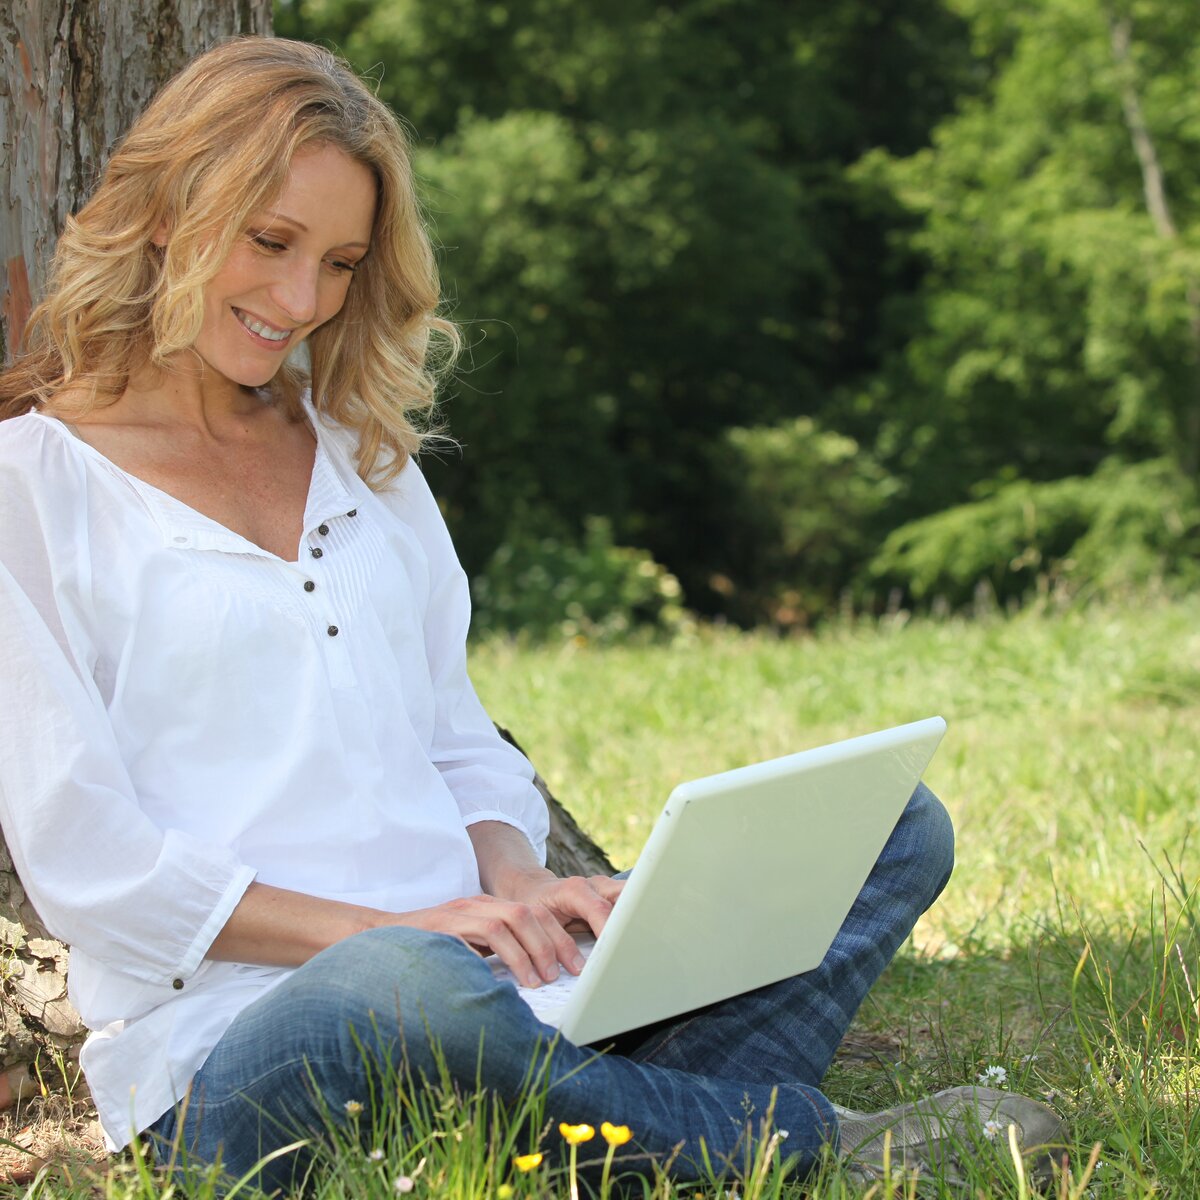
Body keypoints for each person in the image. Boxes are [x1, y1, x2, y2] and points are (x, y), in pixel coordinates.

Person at [0, 36, 1062, 1193]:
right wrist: (394, 935)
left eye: (341, 262)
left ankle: (598, 1143)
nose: (300, 300)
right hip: (248, 1059)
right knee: (413, 991)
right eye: (270, 242)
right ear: (168, 210)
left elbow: (456, 738)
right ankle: (806, 1147)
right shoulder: (32, 491)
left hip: (498, 991)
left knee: (892, 826)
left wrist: (514, 887)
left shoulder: (362, 458)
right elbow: (94, 871)